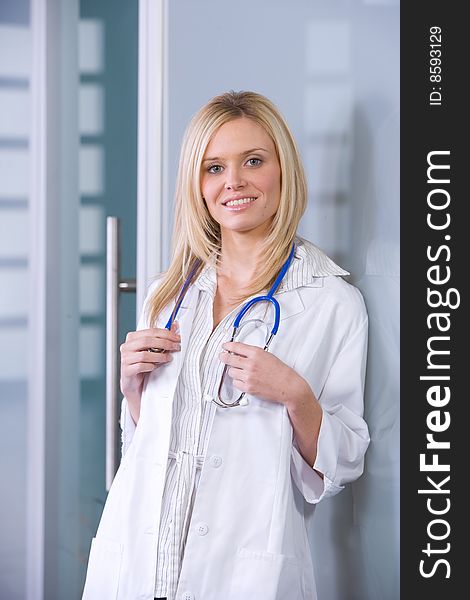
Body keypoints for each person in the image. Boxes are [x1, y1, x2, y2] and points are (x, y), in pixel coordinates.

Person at [82, 90, 370, 600]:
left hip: (243, 575)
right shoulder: (166, 294)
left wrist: (295, 395)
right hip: (139, 564)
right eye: (213, 167)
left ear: (284, 170)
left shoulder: (332, 302)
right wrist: (131, 389)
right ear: (197, 183)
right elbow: (151, 444)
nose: (232, 182)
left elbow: (343, 462)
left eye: (252, 161)